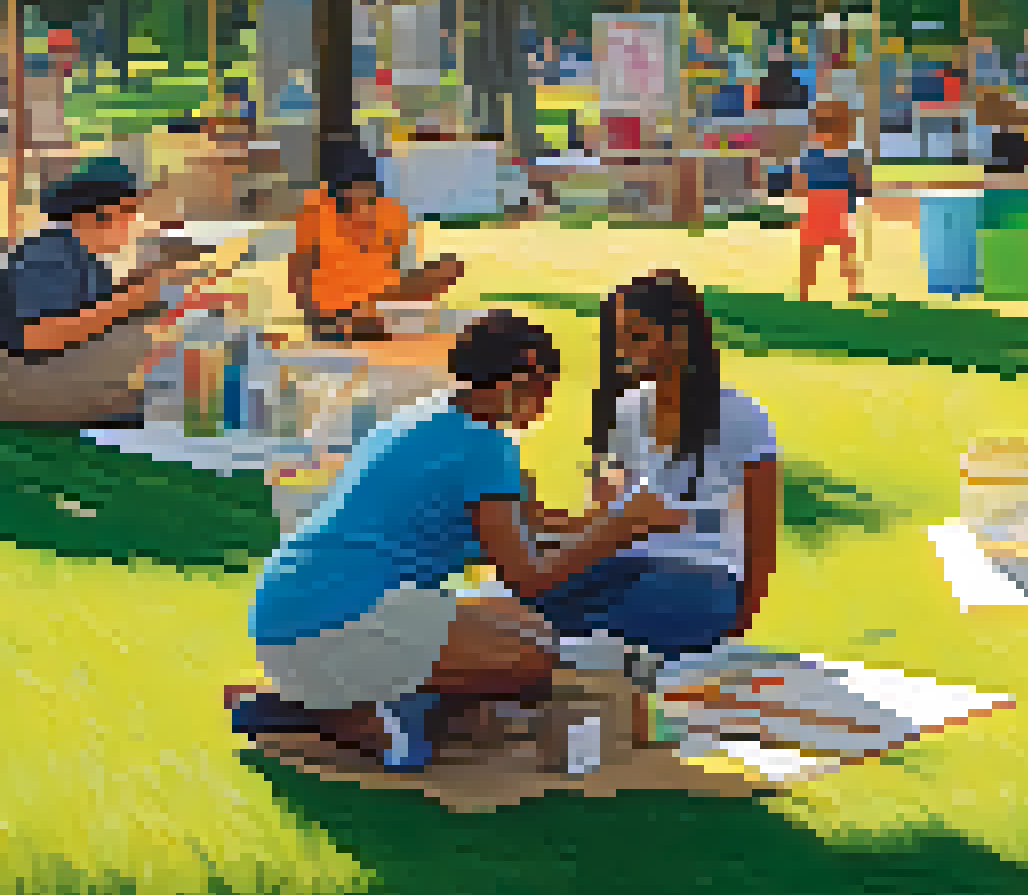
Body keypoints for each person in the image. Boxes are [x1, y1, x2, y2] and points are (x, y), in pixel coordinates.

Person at [233, 313, 645, 771]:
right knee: (531, 660)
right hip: (337, 617)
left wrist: (610, 518)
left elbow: (529, 528)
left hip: (290, 609)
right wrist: (618, 528)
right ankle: (346, 714)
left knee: (532, 629)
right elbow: (528, 576)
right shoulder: (485, 445)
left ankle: (308, 696)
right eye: (545, 386)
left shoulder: (427, 415)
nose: (546, 405)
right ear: (520, 378)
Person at [517, 273, 781, 661]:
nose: (623, 352)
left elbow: (762, 537)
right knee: (513, 619)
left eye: (638, 338)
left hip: (701, 572)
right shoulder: (629, 410)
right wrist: (538, 522)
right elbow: (607, 518)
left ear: (680, 338)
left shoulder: (743, 417)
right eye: (618, 339)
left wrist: (743, 618)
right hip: (623, 565)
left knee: (585, 653)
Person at [0, 159, 194, 424]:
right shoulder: (47, 252)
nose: (136, 222)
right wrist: (132, 298)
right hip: (24, 373)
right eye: (129, 211)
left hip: (61, 365)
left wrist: (147, 285)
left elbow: (97, 310)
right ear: (94, 214)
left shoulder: (87, 258)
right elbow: (38, 336)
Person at [290, 143, 465, 341]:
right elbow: (300, 271)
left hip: (382, 304)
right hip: (337, 312)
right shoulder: (316, 211)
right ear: (337, 191)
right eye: (351, 190)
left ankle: (377, 321)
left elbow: (404, 272)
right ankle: (354, 324)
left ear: (375, 187)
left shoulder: (393, 213)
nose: (360, 199)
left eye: (367, 190)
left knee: (448, 266)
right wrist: (316, 320)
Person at [791, 90, 870, 302]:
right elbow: (799, 183)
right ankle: (807, 292)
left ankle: (850, 291)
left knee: (842, 253)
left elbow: (860, 182)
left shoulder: (847, 155)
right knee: (813, 254)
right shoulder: (815, 154)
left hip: (835, 209)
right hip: (822, 209)